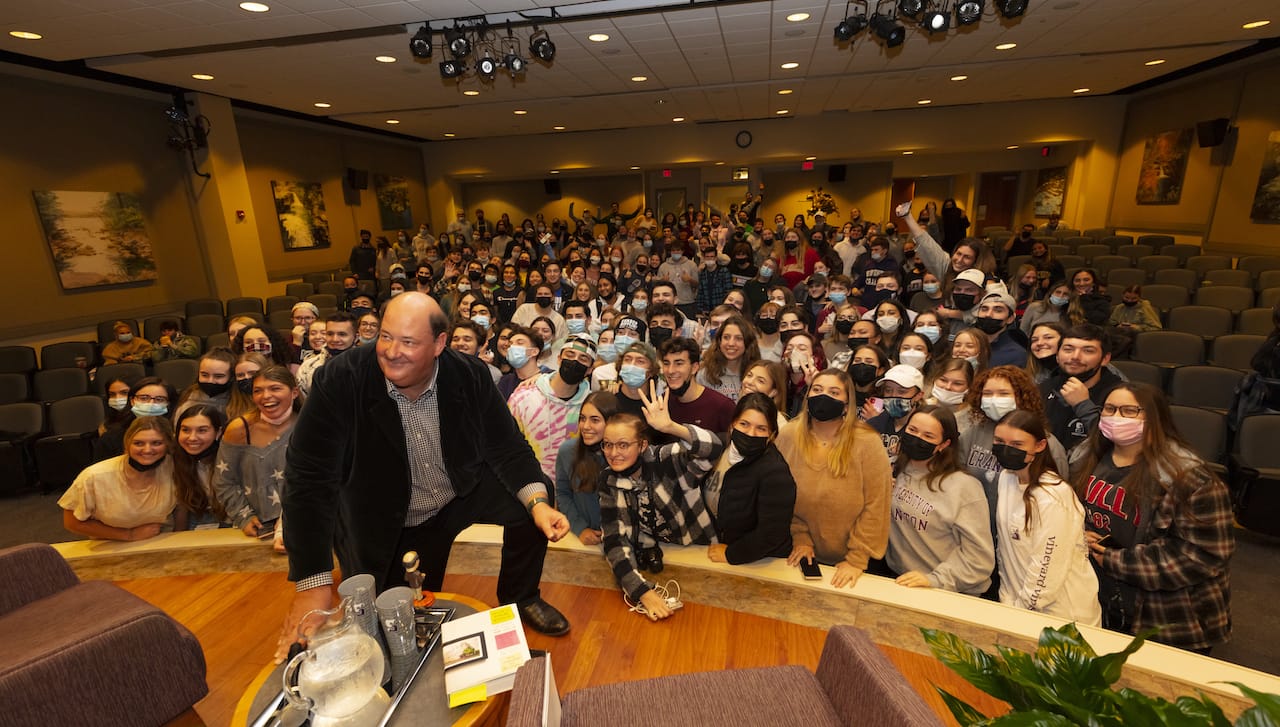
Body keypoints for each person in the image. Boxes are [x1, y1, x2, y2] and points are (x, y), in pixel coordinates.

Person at [278, 293, 573, 661]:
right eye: (385, 336)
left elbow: (507, 447)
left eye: (408, 342)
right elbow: (308, 478)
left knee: (535, 495)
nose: (391, 351)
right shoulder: (340, 380)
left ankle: (522, 596)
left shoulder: (470, 374)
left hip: (457, 494)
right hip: (379, 514)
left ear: (439, 343)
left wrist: (539, 506)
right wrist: (313, 580)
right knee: (393, 627)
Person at [1072, 383, 1233, 652]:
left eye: (1129, 411)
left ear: (1154, 417)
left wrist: (1111, 559)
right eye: (1110, 409)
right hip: (1101, 599)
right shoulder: (1086, 457)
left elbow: (1202, 557)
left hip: (1166, 616)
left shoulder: (1189, 478)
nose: (1116, 417)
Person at [598, 384, 725, 620]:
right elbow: (615, 542)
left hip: (697, 551)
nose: (613, 453)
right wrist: (641, 592)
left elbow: (714, 448)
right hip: (658, 558)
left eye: (623, 445)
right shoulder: (608, 479)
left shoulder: (666, 460)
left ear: (643, 445)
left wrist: (672, 427)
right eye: (607, 444)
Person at [779, 369, 892, 588]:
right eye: (817, 389)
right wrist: (800, 538)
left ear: (847, 404)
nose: (824, 396)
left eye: (834, 392)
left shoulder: (867, 441)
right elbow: (779, 494)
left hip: (853, 561)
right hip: (799, 551)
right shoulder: (788, 435)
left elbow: (877, 505)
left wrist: (856, 559)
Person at [992, 410, 1101, 623]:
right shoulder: (1007, 477)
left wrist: (1020, 612)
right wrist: (1007, 602)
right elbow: (1005, 551)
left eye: (1016, 444)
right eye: (999, 441)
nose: (1005, 449)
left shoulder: (1053, 495)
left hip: (1063, 615)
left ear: (1039, 446)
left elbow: (1046, 569)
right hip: (1018, 607)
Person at [884, 405, 994, 595]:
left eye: (928, 436)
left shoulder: (964, 487)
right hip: (900, 581)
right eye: (912, 430)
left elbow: (979, 559)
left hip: (947, 591)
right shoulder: (895, 470)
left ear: (943, 444)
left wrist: (935, 579)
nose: (917, 438)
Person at [703, 393, 796, 565]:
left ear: (771, 434)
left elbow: (771, 534)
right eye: (744, 424)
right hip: (718, 550)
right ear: (732, 425)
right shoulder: (718, 450)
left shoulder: (776, 473)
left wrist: (731, 554)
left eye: (761, 428)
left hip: (761, 560)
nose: (751, 433)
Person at [214, 366, 300, 551]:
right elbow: (224, 481)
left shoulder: (309, 426)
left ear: (294, 392)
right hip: (256, 532)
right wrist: (242, 516)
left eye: (275, 388)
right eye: (258, 391)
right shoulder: (239, 429)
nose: (266, 396)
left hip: (302, 527)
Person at [61, 416, 178, 540]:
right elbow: (72, 523)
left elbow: (181, 508)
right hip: (112, 544)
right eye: (138, 443)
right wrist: (129, 535)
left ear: (168, 444)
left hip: (162, 539)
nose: (147, 450)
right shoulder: (93, 477)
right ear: (127, 444)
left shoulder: (174, 469)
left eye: (156, 443)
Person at [508, 334, 596, 479]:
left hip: (571, 490)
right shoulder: (523, 398)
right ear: (559, 359)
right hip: (529, 486)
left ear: (589, 370)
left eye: (583, 358)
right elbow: (506, 446)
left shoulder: (591, 406)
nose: (574, 361)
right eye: (570, 354)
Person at [1040, 323, 1123, 453]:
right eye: (1068, 349)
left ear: (1105, 359)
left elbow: (1120, 444)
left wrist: (1083, 405)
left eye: (1088, 351)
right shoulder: (1043, 388)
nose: (1075, 357)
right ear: (1057, 355)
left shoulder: (1121, 394)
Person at [554, 392, 618, 546]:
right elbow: (563, 494)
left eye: (595, 420)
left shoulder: (624, 455)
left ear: (612, 422)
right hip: (583, 540)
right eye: (582, 418)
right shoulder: (567, 451)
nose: (586, 426)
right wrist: (579, 528)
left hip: (620, 540)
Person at [660, 336, 736, 437]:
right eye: (666, 363)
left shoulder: (722, 406)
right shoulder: (661, 403)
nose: (670, 370)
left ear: (694, 368)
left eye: (679, 363)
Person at [93, 377, 177, 462]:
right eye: (144, 398)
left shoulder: (177, 435)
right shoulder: (111, 438)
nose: (151, 404)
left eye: (159, 399)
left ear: (168, 404)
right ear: (132, 401)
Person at [172, 404, 227, 530]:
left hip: (232, 517)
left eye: (202, 430)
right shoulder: (174, 459)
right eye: (185, 430)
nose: (192, 438)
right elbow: (181, 507)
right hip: (195, 518)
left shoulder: (230, 459)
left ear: (218, 432)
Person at [696, 314, 757, 402]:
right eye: (726, 337)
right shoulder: (705, 375)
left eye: (738, 338)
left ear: (748, 342)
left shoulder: (756, 375)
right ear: (719, 341)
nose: (731, 343)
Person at [295, 312, 357, 397]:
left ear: (356, 337)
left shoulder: (366, 366)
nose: (335, 339)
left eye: (342, 334)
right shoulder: (308, 366)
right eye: (330, 334)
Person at [175, 347, 237, 418]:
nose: (210, 381)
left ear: (231, 377)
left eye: (218, 376)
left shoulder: (238, 405)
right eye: (204, 375)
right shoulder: (185, 401)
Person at [974, 290, 1028, 367]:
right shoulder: (966, 344)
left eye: (998, 310)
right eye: (984, 309)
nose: (988, 314)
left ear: (1010, 319)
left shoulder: (1015, 354)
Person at [1108, 284, 1162, 357]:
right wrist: (1118, 325)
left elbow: (1156, 328)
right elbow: (1111, 323)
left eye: (1133, 299)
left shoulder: (1145, 308)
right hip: (1119, 335)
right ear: (1122, 295)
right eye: (1126, 297)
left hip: (1137, 338)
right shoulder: (1119, 307)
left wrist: (1137, 327)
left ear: (1139, 298)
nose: (1129, 301)